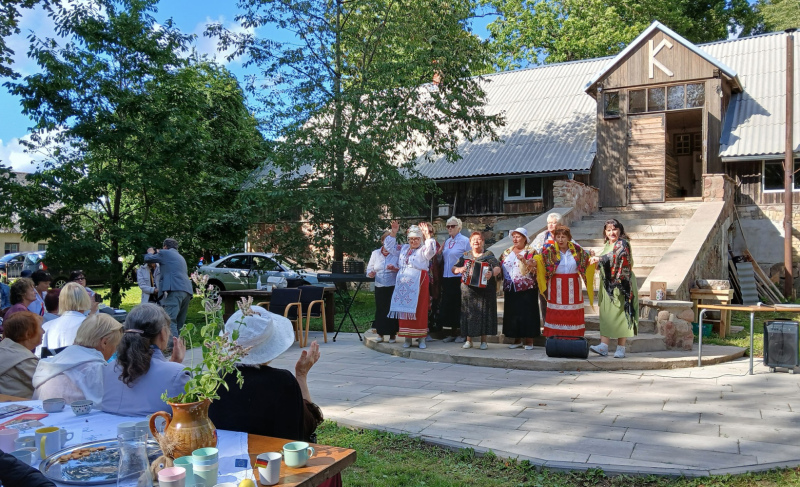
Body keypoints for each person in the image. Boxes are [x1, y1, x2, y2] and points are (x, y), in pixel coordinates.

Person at [209, 306, 339, 487]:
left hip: (225, 470)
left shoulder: (215, 381)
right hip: (275, 472)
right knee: (331, 470)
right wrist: (301, 376)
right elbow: (307, 428)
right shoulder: (281, 381)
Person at [102, 303, 189, 416]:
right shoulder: (178, 374)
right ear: (163, 333)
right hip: (155, 432)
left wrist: (173, 365)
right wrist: (175, 367)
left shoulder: (107, 369)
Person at [32, 313, 123, 405]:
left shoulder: (57, 359)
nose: (115, 350)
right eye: (116, 345)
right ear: (105, 342)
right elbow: (110, 405)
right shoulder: (95, 369)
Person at [533, 225, 596, 338]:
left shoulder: (577, 251)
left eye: (563, 237)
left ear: (568, 238)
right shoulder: (550, 252)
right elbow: (540, 261)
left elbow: (587, 261)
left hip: (573, 286)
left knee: (573, 313)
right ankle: (555, 339)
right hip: (556, 286)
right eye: (558, 237)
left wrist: (593, 261)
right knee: (557, 313)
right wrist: (531, 262)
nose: (561, 240)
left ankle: (574, 338)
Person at [589, 219, 638, 358]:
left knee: (621, 315)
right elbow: (604, 263)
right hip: (607, 286)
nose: (612, 232)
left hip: (622, 285)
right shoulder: (606, 245)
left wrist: (599, 259)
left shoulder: (623, 244)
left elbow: (616, 256)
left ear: (620, 230)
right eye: (609, 230)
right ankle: (603, 346)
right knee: (606, 315)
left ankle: (621, 348)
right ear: (605, 232)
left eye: (614, 229)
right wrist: (594, 260)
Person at [384, 221, 437, 349]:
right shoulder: (403, 248)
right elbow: (390, 248)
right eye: (411, 239)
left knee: (420, 309)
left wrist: (428, 236)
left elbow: (431, 252)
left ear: (420, 239)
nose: (413, 241)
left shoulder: (423, 249)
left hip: (419, 281)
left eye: (416, 239)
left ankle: (421, 339)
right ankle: (407, 338)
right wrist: (394, 232)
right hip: (403, 283)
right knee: (404, 310)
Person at [451, 232, 501, 350]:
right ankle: (469, 341)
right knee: (468, 314)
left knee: (483, 314)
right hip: (468, 290)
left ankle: (484, 341)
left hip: (484, 290)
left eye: (479, 239)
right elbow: (454, 268)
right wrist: (459, 269)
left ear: (483, 242)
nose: (476, 242)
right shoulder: (465, 256)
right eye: (473, 240)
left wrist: (491, 273)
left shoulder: (488, 255)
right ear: (470, 242)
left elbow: (498, 267)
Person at [144, 238, 193, 342]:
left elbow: (148, 259)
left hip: (175, 289)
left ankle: (172, 348)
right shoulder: (180, 256)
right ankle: (180, 347)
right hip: (187, 290)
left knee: (169, 320)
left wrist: (150, 252)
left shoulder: (165, 253)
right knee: (180, 322)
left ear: (165, 246)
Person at [500, 228, 540, 350]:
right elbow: (501, 266)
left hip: (527, 288)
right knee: (513, 314)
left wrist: (526, 262)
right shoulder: (506, 252)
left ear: (524, 238)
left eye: (518, 236)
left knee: (528, 314)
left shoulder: (531, 251)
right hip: (510, 288)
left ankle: (529, 340)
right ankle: (516, 339)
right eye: (513, 236)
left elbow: (537, 269)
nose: (515, 239)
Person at [40, 282, 93, 356]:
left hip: (51, 365)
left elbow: (39, 356)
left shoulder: (46, 327)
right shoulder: (92, 326)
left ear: (61, 301)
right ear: (86, 299)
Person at [440, 216, 470, 343]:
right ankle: (452, 332)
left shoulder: (465, 240)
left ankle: (462, 332)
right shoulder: (447, 242)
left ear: (459, 227)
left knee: (459, 304)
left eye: (453, 226)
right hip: (447, 277)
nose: (450, 228)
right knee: (449, 305)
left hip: (458, 277)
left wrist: (464, 271)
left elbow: (469, 258)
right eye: (448, 226)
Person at [0, 311, 44, 398]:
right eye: (40, 328)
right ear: (28, 334)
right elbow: (49, 384)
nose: (43, 331)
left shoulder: (5, 350)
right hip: (22, 408)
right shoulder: (24, 361)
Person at [366, 231, 399, 343]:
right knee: (380, 309)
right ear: (382, 241)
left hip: (392, 285)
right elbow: (369, 268)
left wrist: (394, 268)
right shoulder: (375, 253)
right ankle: (380, 333)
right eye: (386, 239)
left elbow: (402, 268)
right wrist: (370, 273)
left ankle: (392, 334)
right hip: (379, 284)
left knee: (392, 309)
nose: (388, 242)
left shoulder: (396, 253)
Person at [531, 212, 563, 324]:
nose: (550, 225)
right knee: (544, 299)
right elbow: (531, 250)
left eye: (554, 223)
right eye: (549, 223)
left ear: (559, 224)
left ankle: (559, 324)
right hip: (543, 274)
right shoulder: (542, 236)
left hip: (559, 274)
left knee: (559, 299)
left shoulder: (564, 236)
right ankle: (546, 324)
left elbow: (575, 249)